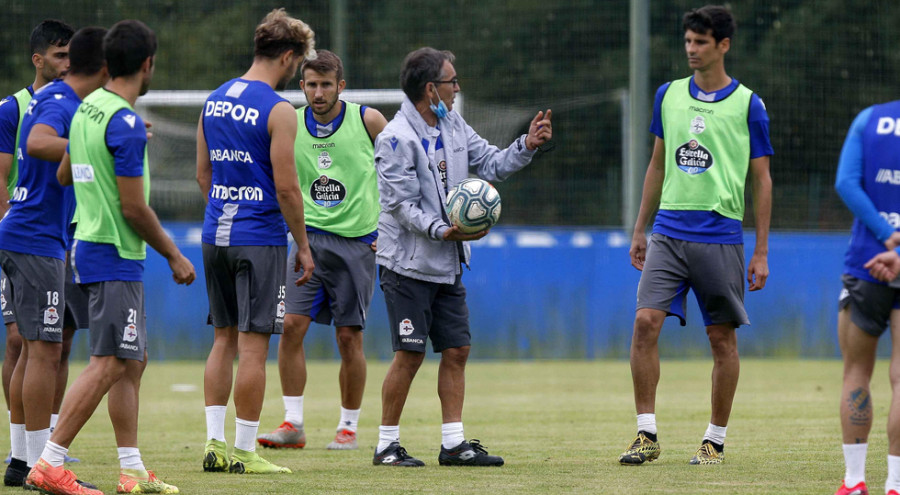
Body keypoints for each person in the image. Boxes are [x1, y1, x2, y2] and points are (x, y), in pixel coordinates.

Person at [26, 20, 195, 495]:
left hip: (86, 243)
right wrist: (175, 255)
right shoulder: (122, 122)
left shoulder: (88, 109)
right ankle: (50, 462)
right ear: (147, 64)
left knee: (130, 358)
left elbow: (63, 175)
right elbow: (134, 207)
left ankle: (132, 468)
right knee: (108, 361)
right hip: (115, 252)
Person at [372, 47, 551, 467]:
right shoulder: (395, 137)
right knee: (410, 354)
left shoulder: (453, 125)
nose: (457, 89)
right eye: (452, 81)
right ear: (431, 88)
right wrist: (442, 230)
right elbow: (399, 205)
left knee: (457, 350)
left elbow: (490, 162)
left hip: (448, 263)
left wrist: (527, 144)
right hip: (407, 266)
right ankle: (386, 445)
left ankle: (453, 444)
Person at [620, 5, 772, 466]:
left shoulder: (749, 104)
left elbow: (761, 179)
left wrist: (761, 250)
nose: (691, 49)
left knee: (721, 340)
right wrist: (640, 227)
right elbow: (657, 163)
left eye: (701, 42)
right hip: (668, 231)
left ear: (723, 45)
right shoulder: (668, 95)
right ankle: (646, 434)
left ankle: (715, 440)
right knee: (645, 323)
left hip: (720, 234)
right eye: (688, 41)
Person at [198, 8, 315, 475]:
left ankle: (213, 443)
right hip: (260, 238)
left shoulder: (214, 100)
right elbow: (287, 188)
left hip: (214, 235)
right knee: (252, 347)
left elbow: (203, 175)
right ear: (287, 56)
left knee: (222, 340)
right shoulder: (279, 109)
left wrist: (228, 205)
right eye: (297, 63)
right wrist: (303, 246)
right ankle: (245, 450)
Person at [257, 50, 387, 452]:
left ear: (341, 86)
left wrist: (391, 228)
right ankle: (293, 423)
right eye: (311, 84)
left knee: (349, 338)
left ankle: (348, 427)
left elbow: (402, 171)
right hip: (307, 241)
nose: (318, 92)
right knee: (291, 327)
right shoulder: (288, 122)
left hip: (357, 243)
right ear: (301, 87)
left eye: (326, 84)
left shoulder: (368, 120)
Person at [0, 26, 107, 488]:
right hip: (34, 239)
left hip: (37, 238)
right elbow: (38, 144)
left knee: (34, 350)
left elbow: (59, 168)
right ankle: (43, 464)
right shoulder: (61, 102)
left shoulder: (57, 98)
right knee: (42, 352)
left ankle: (23, 461)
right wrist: (97, 147)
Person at [0, 20, 75, 481]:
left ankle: (40, 449)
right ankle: (22, 456)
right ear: (38, 59)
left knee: (56, 344)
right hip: (26, 236)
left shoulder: (73, 102)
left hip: (66, 237)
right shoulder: (14, 108)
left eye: (72, 56)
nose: (67, 63)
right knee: (21, 342)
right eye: (60, 55)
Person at [831, 98, 900, 495]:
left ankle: (855, 481)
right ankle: (895, 483)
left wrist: (884, 232)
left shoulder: (870, 119)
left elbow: (845, 183)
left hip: (866, 264)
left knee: (856, 372)